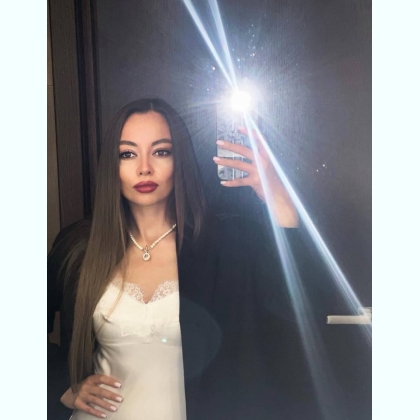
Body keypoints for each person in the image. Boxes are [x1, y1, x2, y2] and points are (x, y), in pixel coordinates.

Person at [48, 98, 319, 420]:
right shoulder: (80, 245)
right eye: (128, 154)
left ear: (180, 160)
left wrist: (277, 195)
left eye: (161, 151)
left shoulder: (223, 244)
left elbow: (298, 309)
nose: (144, 167)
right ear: (111, 165)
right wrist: (62, 386)